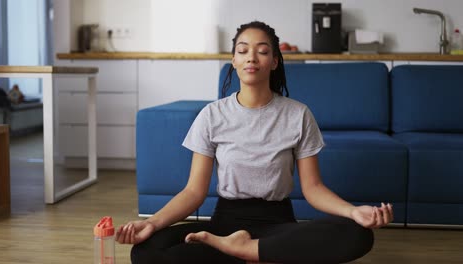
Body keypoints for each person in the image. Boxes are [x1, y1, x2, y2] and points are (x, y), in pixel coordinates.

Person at [116, 21, 394, 264]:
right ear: (234, 60)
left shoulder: (298, 114)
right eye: (243, 50)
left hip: (277, 225)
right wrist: (151, 223)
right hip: (225, 225)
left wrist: (354, 211)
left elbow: (313, 188)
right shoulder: (212, 115)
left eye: (262, 51)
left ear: (274, 61)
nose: (252, 57)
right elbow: (193, 192)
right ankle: (257, 256)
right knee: (146, 251)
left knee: (357, 235)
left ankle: (248, 251)